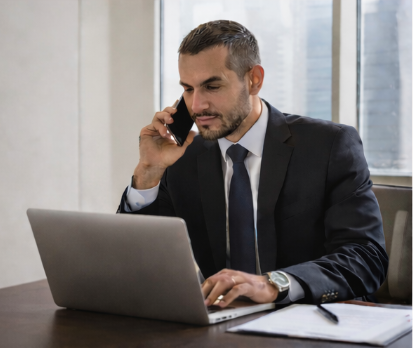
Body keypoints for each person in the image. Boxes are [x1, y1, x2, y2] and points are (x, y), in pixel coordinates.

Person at [117, 20, 388, 307]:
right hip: (222, 323)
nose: (196, 106)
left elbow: (365, 257)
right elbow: (136, 263)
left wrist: (274, 284)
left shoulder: (329, 145)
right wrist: (149, 171)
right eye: (188, 88)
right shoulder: (183, 157)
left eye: (212, 86)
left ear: (254, 80)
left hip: (310, 318)